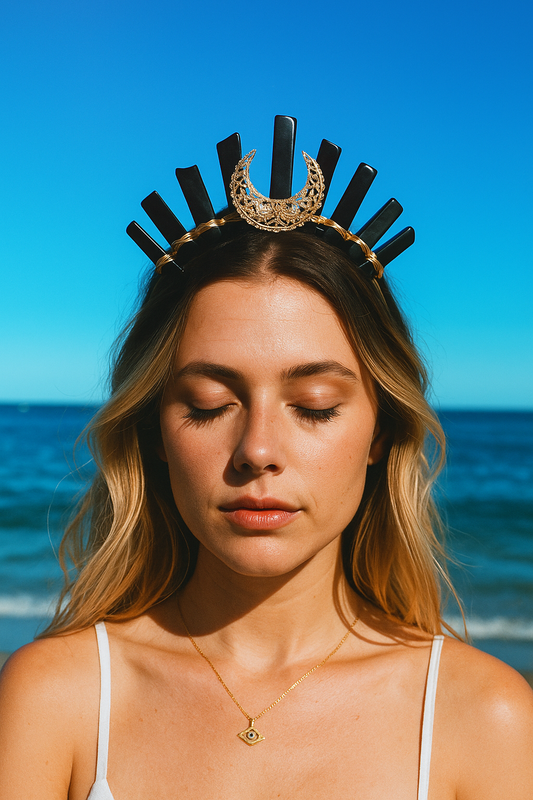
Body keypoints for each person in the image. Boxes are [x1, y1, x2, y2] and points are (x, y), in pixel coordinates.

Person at [0, 116, 532, 800]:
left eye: (312, 406)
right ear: (156, 432)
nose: (256, 451)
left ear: (379, 433)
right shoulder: (57, 700)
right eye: (206, 403)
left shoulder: (483, 719)